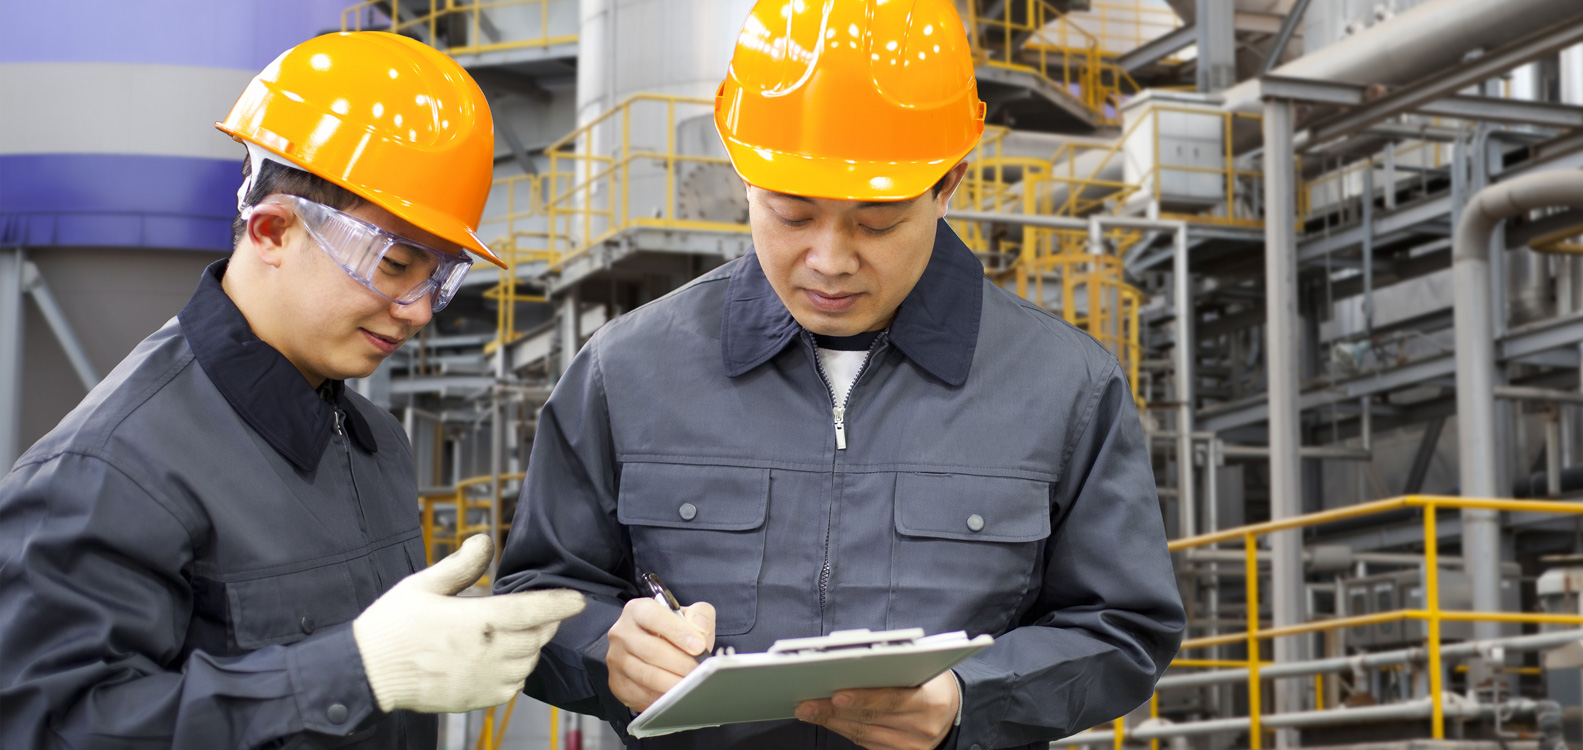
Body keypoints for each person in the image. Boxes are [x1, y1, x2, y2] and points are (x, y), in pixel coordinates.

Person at [493, 1, 1186, 748]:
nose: (830, 259)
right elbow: (537, 599)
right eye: (791, 214)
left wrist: (966, 701)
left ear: (948, 182)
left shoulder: (1066, 386)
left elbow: (1124, 628)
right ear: (744, 175)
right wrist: (605, 648)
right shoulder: (625, 370)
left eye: (877, 220)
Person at [0, 31, 584, 749]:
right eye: (395, 264)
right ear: (273, 230)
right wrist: (357, 671)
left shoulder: (377, 443)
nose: (420, 310)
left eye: (439, 277)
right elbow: (48, 729)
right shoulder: (111, 471)